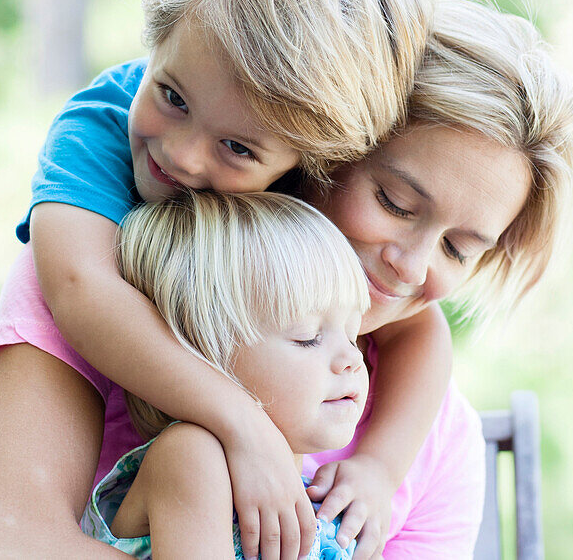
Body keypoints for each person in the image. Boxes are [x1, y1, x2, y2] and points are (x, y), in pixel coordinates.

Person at [0, 0, 573, 560]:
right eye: (392, 202)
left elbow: (424, 331)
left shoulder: (427, 432)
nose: (413, 267)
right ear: (312, 144)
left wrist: (384, 468)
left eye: (458, 248)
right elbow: (2, 546)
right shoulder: (105, 292)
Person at [11, 0, 448, 560]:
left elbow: (420, 326)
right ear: (156, 42)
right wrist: (241, 424)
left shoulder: (301, 192)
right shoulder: (99, 127)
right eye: (172, 96)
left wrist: (380, 468)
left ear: (308, 166)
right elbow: (79, 286)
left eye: (239, 149)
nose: (182, 155)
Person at [80, 189, 371, 559]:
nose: (352, 358)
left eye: (352, 334)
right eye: (308, 337)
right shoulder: (190, 455)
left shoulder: (328, 502)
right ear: (202, 359)